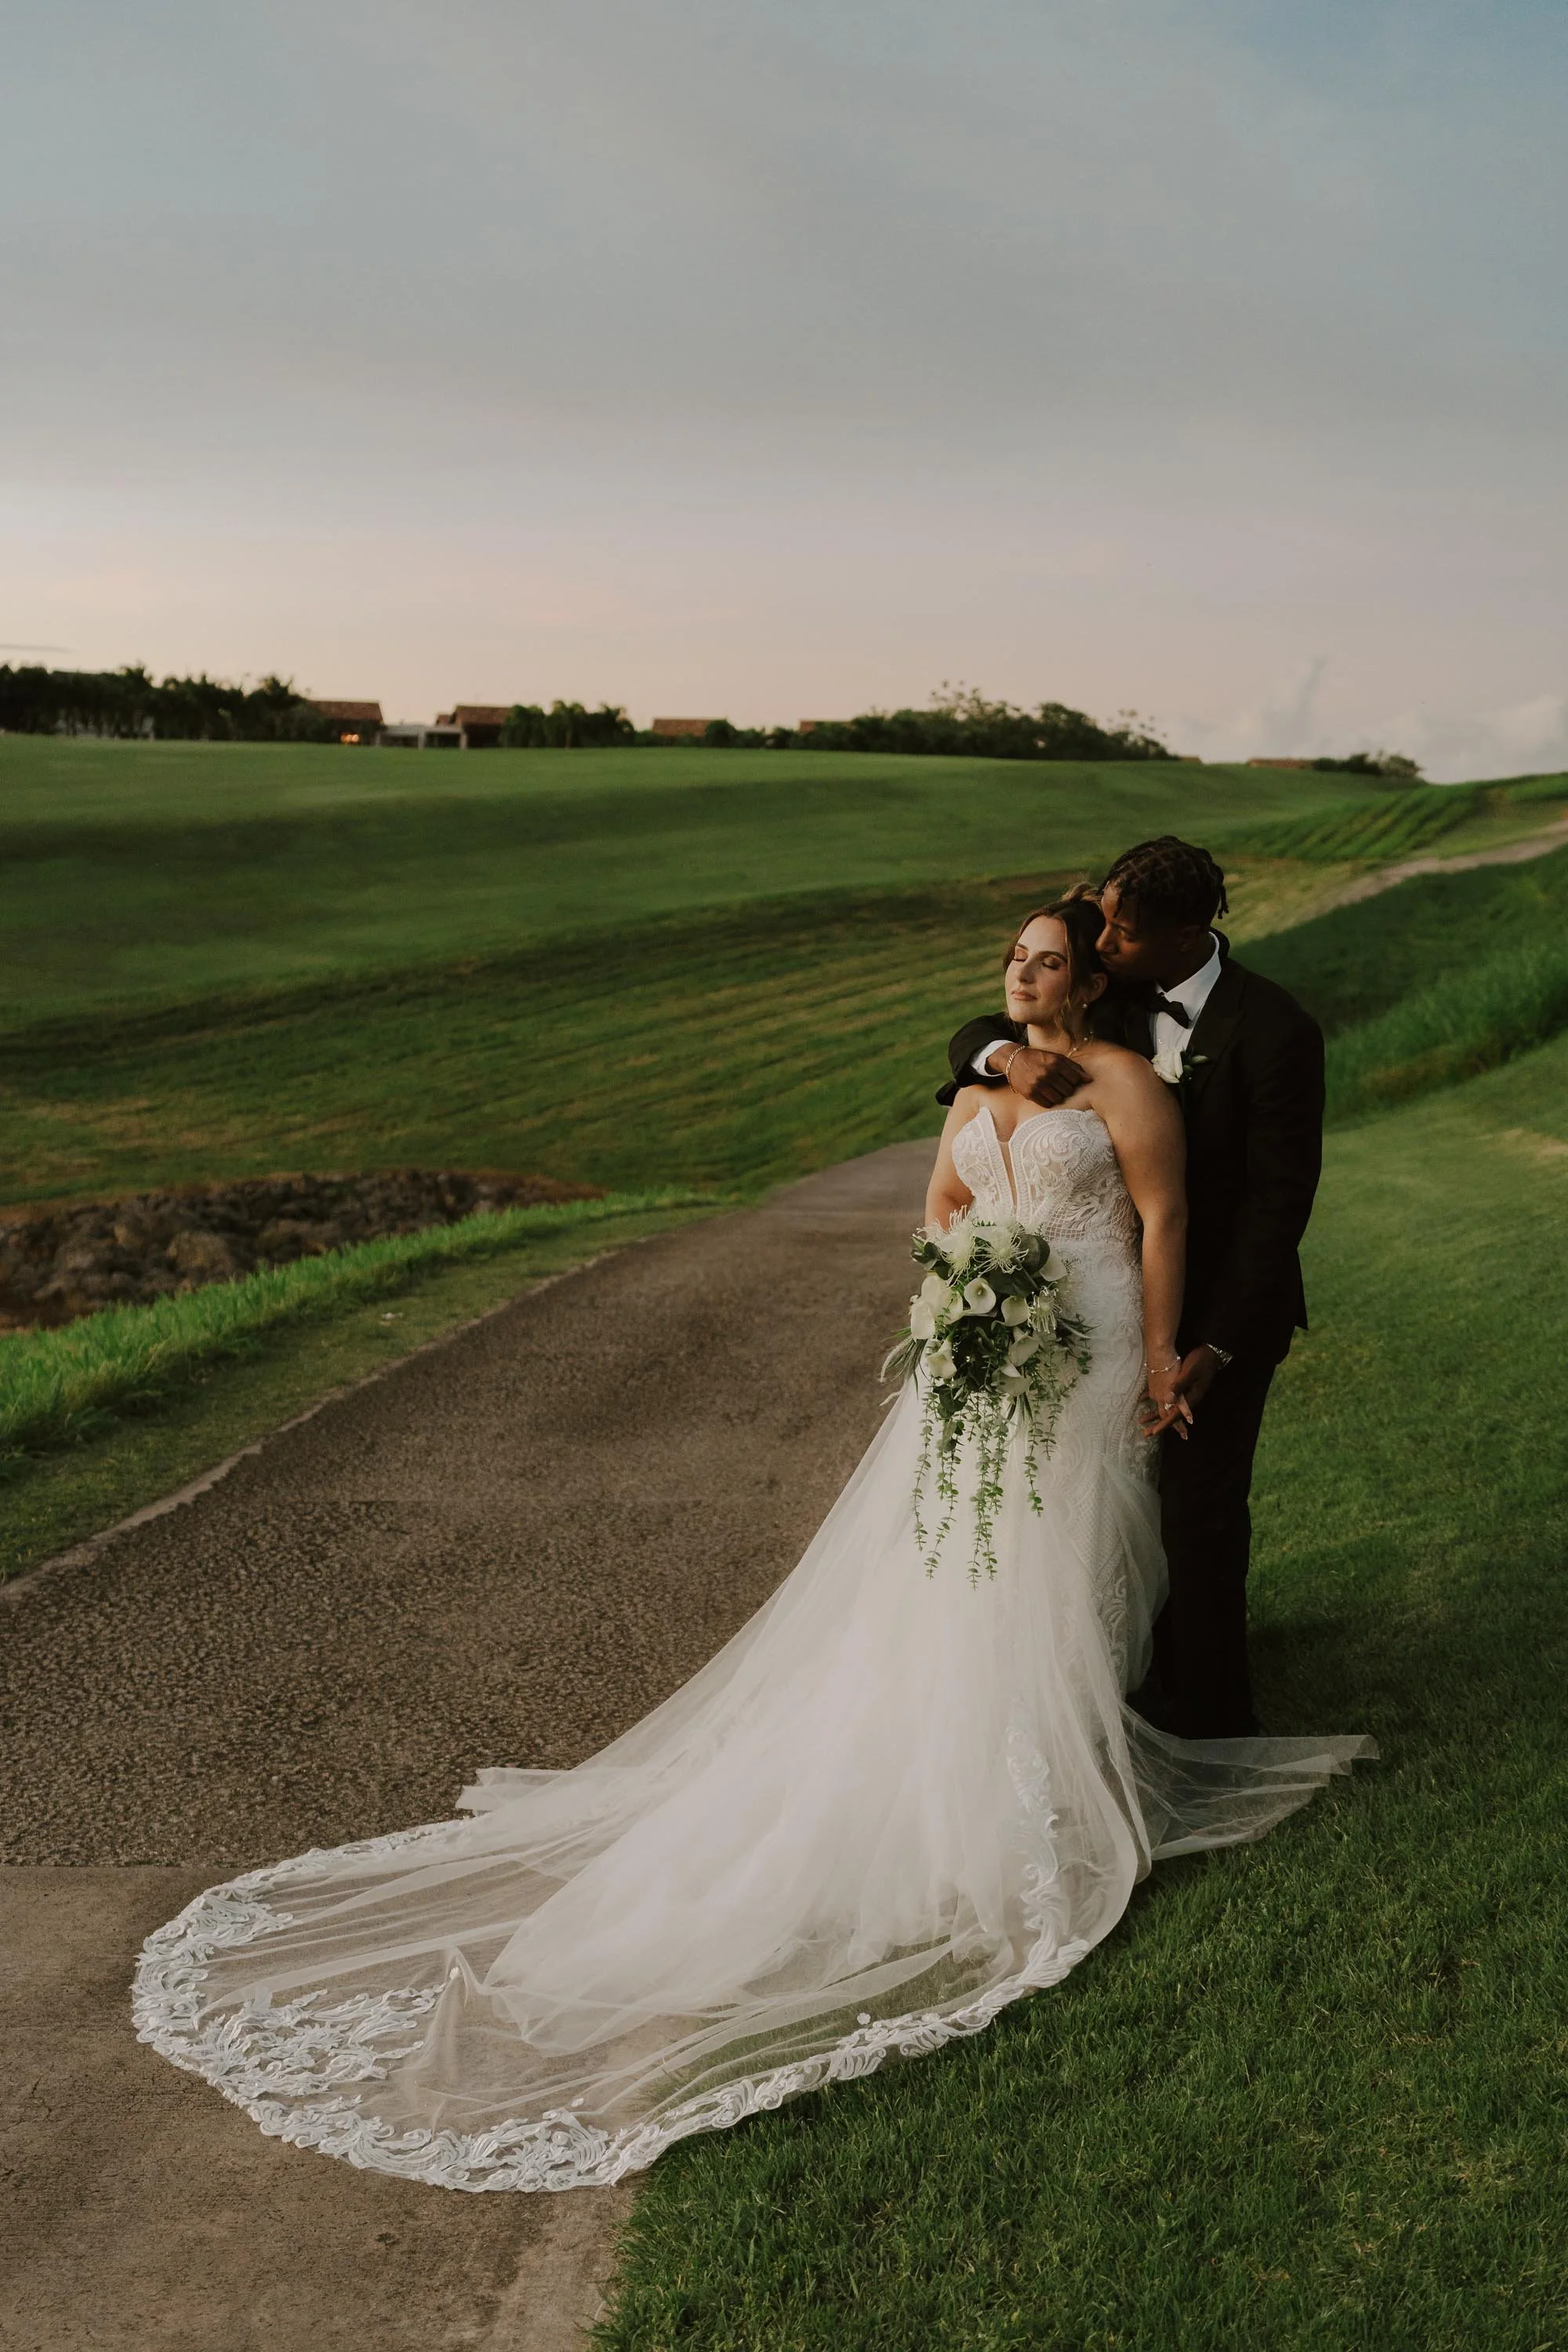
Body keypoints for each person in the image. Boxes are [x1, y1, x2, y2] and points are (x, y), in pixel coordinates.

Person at [135, 895, 1367, 2194]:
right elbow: (947, 1203)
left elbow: (1165, 1217)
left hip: (1101, 1333)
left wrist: (1163, 1353)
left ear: (1094, 973)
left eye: (1047, 958)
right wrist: (964, 1289)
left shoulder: (1130, 1079)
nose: (1025, 973)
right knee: (970, 1563)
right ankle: (1009, 1765)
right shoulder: (977, 1080)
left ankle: (1092, 1735)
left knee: (1087, 1551)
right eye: (1016, 957)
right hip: (996, 1349)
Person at [945, 837, 1326, 1736]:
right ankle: (1117, 1692)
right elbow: (974, 1030)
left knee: (1196, 1515)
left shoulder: (1273, 1030)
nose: (1101, 940)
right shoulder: (1107, 991)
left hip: (1223, 1308)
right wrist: (1003, 1059)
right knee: (1085, 1511)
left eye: (1120, 929)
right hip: (1101, 1299)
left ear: (1187, 934)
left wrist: (1214, 1345)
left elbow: (1279, 1207)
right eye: (1102, 923)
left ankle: (1211, 1720)